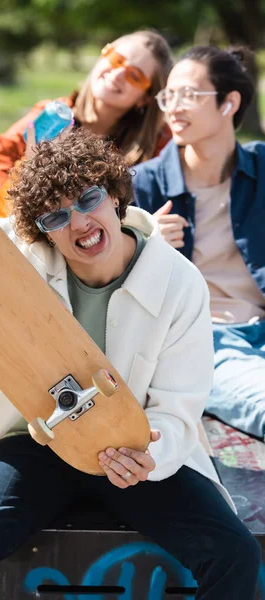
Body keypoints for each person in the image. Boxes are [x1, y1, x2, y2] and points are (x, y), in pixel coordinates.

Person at [0, 126, 259, 599]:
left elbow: (179, 405)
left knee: (236, 553)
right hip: (34, 442)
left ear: (114, 197)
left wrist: (148, 456)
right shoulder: (21, 262)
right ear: (41, 229)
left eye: (89, 199)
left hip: (131, 447)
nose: (79, 224)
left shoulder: (179, 281)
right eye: (55, 216)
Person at [132, 45, 265, 441]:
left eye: (188, 95)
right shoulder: (143, 185)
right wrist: (144, 243)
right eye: (168, 95)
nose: (173, 107)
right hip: (206, 339)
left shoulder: (262, 170)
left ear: (229, 103)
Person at [0, 30, 173, 213]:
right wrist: (6, 213)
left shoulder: (155, 146)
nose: (118, 73)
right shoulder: (54, 116)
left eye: (135, 76)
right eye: (116, 59)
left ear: (146, 98)